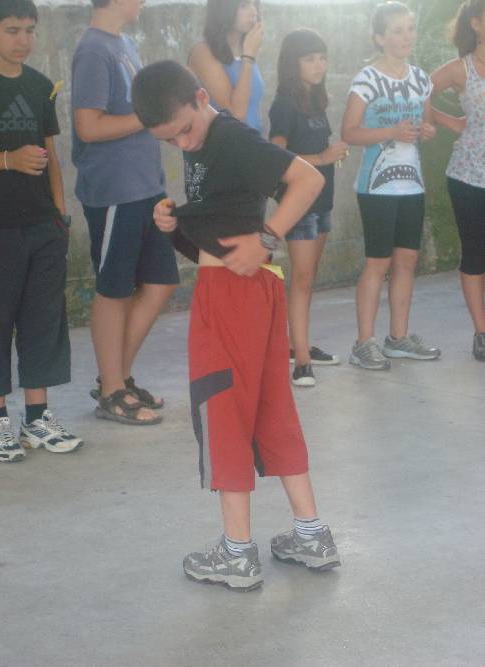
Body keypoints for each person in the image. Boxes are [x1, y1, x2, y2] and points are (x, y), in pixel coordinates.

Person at [132, 61, 341, 591]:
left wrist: (268, 236)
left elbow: (309, 179)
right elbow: (223, 213)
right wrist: (176, 224)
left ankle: (237, 551)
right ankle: (311, 533)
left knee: (221, 409)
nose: (181, 143)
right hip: (254, 291)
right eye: (168, 140)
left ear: (202, 98)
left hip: (230, 295)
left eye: (185, 130)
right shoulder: (206, 140)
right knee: (271, 406)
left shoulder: (230, 137)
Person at [71, 0, 179, 426]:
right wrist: (147, 116)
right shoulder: (93, 50)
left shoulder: (123, 44)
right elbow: (88, 127)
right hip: (115, 189)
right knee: (114, 289)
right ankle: (113, 390)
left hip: (145, 187)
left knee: (161, 282)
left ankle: (114, 378)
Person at [0, 0, 83, 462]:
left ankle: (37, 417)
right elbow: (22, 157)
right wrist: (8, 160)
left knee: (42, 322)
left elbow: (50, 155)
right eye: (12, 30)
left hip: (43, 226)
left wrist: (59, 216)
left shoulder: (42, 86)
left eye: (29, 30)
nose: (23, 39)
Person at [341, 1, 441, 370]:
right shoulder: (366, 79)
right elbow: (349, 132)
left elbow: (424, 125)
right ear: (379, 38)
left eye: (410, 28)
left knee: (407, 260)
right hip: (376, 187)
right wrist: (390, 132)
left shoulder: (421, 79)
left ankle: (398, 338)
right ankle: (363, 343)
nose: (406, 36)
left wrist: (427, 131)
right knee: (377, 262)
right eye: (397, 31)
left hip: (412, 184)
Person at [269, 29, 348, 387]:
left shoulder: (315, 98)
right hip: (299, 204)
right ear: (293, 63)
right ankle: (301, 361)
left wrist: (332, 156)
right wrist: (322, 157)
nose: (319, 65)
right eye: (309, 58)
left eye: (322, 57)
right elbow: (276, 155)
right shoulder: (284, 104)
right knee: (301, 279)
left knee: (308, 277)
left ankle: (297, 344)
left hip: (323, 201)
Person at [431, 0, 485, 361]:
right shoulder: (460, 69)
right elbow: (418, 90)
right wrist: (447, 121)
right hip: (470, 176)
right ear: (476, 24)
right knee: (476, 253)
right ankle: (482, 333)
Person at [188, 0, 264, 132]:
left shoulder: (246, 46)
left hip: (252, 139)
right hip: (223, 140)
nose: (254, 12)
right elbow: (235, 115)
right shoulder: (203, 51)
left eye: (255, 4)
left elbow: (253, 106)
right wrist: (248, 58)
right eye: (244, 6)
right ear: (224, 9)